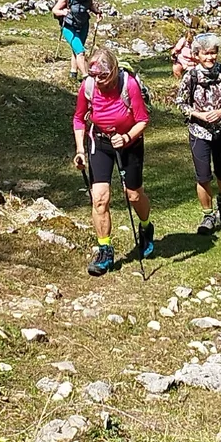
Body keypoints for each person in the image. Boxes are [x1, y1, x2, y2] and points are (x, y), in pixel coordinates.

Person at [72, 41, 152, 275]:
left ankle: (146, 228)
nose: (98, 80)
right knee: (99, 198)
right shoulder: (87, 86)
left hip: (130, 143)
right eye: (94, 75)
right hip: (100, 142)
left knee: (134, 195)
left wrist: (126, 137)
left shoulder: (129, 85)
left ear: (114, 71)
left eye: (103, 76)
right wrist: (80, 150)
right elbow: (79, 119)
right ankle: (104, 250)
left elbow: (143, 120)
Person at [177, 33, 221, 236]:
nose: (210, 57)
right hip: (199, 132)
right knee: (203, 175)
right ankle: (208, 215)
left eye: (213, 53)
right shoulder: (191, 76)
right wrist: (200, 115)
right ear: (197, 55)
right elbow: (181, 103)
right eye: (206, 53)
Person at [52, 0, 96, 68]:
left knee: (76, 49)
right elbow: (55, 10)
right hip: (68, 26)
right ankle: (86, 76)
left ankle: (73, 73)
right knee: (80, 51)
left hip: (83, 24)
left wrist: (97, 12)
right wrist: (63, 12)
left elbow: (90, 5)